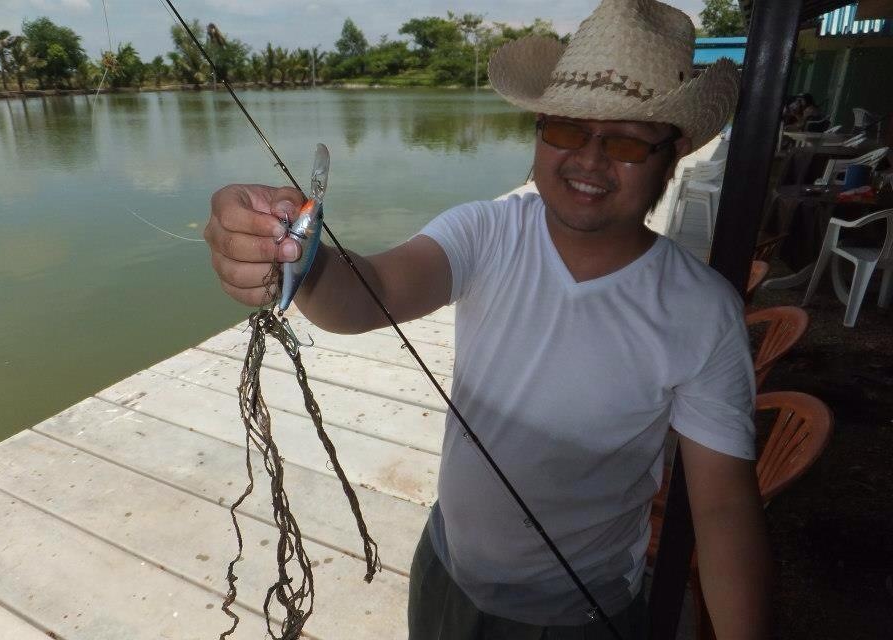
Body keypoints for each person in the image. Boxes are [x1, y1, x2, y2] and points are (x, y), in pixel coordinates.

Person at [203, 0, 772, 638]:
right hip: (449, 573)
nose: (588, 159)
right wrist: (288, 254)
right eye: (564, 130)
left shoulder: (702, 311)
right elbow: (371, 292)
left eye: (625, 141)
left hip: (582, 611)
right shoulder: (486, 232)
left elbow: (723, 507)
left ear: (673, 155)